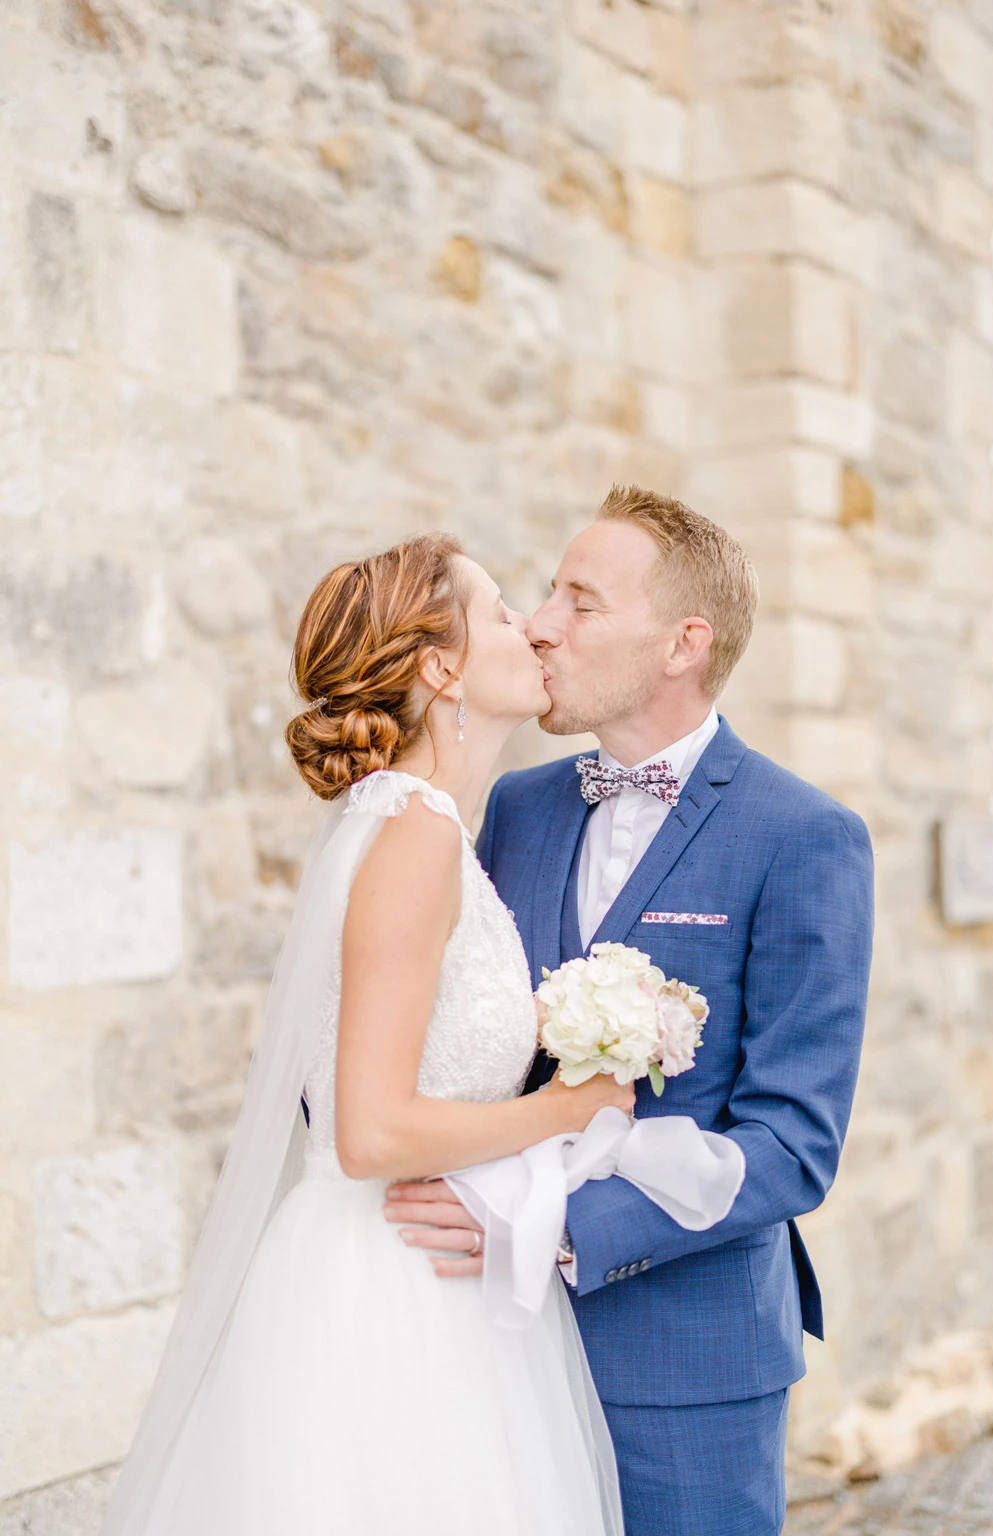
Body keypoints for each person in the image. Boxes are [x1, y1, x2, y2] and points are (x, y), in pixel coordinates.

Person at [99, 534, 629, 1536]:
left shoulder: (422, 830)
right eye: (503, 610)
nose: (529, 628)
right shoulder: (413, 838)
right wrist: (561, 1109)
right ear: (441, 666)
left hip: (432, 1271)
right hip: (388, 1295)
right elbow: (369, 1132)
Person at [387, 486, 875, 1536]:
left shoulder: (804, 836)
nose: (539, 622)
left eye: (581, 600)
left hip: (686, 1360)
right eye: (547, 592)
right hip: (494, 1348)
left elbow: (792, 1144)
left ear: (679, 644)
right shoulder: (514, 805)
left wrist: (548, 1227)